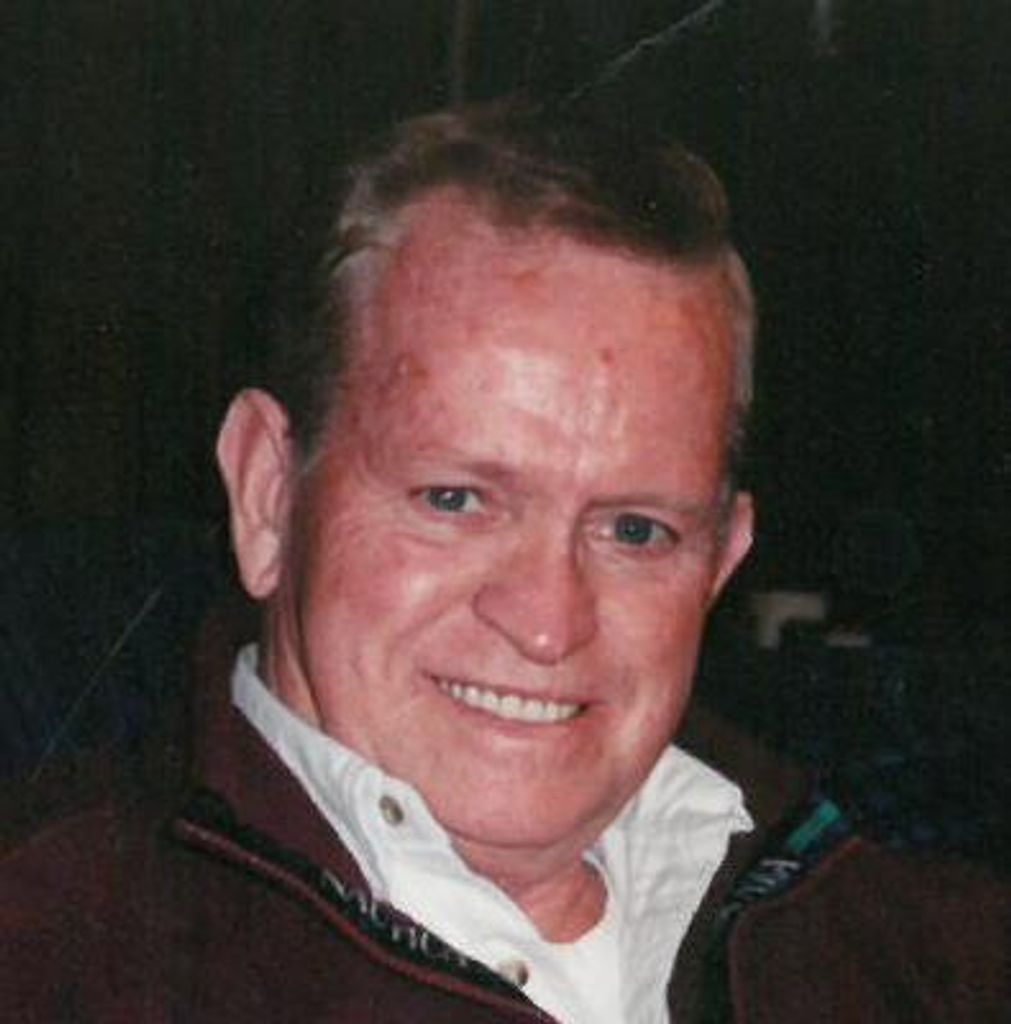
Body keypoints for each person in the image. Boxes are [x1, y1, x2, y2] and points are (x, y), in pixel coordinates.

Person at [3, 103, 1007, 1023]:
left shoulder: (927, 953)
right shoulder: (51, 953)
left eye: (634, 530)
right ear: (267, 492)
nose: (546, 621)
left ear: (721, 561)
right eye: (456, 500)